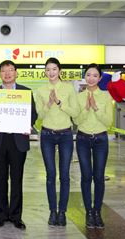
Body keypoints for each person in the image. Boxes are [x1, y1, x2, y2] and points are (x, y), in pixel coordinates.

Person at [0, 60, 37, 230]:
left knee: (17, 179)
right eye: (4, 71)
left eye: (11, 70)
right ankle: (1, 216)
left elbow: (33, 114)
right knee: (0, 179)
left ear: (16, 73)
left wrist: (29, 125)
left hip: (18, 140)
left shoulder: (25, 92)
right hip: (0, 140)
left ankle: (16, 217)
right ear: (0, 74)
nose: (7, 74)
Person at [35, 57, 79, 227]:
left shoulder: (68, 89)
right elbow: (39, 115)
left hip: (65, 135)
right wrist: (48, 104)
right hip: (47, 135)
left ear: (59, 71)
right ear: (45, 72)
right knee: (51, 175)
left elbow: (75, 112)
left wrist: (60, 103)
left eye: (54, 69)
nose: (51, 73)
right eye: (48, 70)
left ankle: (63, 212)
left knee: (65, 175)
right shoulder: (40, 90)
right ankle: (53, 211)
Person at [74, 63, 113, 229]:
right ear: (85, 76)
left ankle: (97, 211)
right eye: (88, 75)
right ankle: (89, 212)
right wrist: (85, 109)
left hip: (100, 140)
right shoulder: (79, 97)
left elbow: (108, 122)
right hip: (82, 139)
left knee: (98, 176)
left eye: (94, 75)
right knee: (86, 176)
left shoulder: (105, 96)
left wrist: (95, 108)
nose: (91, 78)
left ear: (100, 78)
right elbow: (76, 121)